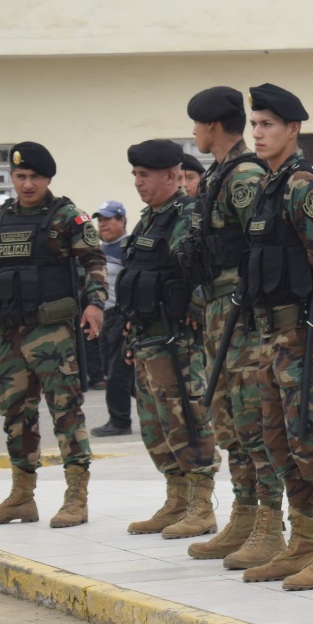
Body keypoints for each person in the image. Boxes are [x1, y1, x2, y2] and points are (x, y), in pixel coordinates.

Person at [236, 83, 313, 591]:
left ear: (293, 130)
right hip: (272, 334)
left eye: (267, 125)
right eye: (254, 125)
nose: (257, 133)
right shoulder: (269, 185)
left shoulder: (304, 186)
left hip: (305, 334)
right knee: (279, 439)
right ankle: (302, 542)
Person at [0, 142, 106, 528]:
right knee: (16, 416)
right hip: (8, 333)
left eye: (34, 177)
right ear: (12, 177)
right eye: (20, 177)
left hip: (51, 332)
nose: (26, 184)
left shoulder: (65, 216)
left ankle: (77, 497)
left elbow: (94, 262)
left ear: (47, 179)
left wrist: (94, 303)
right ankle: (21, 497)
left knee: (65, 414)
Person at [177, 86, 285, 568]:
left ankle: (269, 524)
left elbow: (261, 247)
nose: (195, 134)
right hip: (218, 314)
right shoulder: (221, 173)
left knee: (252, 421)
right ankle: (243, 517)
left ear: (213, 126)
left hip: (242, 319)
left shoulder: (243, 174)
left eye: (197, 125)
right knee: (229, 421)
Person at [118, 139, 220, 538]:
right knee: (155, 426)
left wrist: (194, 312)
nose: (139, 183)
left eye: (145, 176)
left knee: (187, 421)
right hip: (147, 338)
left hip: (177, 341)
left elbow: (200, 272)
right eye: (136, 176)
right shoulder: (150, 219)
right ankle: (176, 498)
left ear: (172, 176)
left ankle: (200, 504)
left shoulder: (187, 215)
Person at [90, 201, 136, 439]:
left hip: (121, 316)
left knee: (118, 372)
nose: (103, 224)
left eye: (109, 219)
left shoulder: (128, 248)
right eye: (100, 220)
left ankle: (119, 421)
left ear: (122, 221)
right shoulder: (100, 250)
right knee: (118, 371)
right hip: (105, 317)